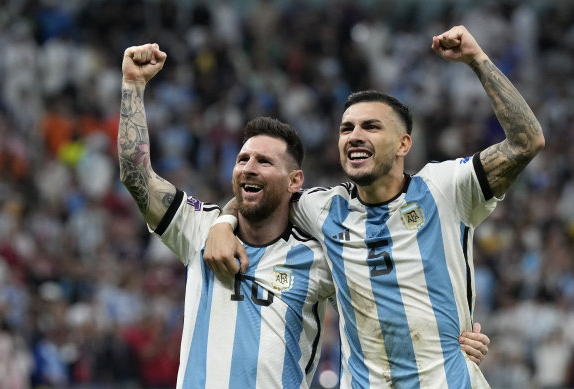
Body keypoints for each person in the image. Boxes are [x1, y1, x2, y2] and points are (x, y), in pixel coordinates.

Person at [117, 43, 491, 388]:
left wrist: (455, 338)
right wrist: (133, 85)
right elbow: (137, 177)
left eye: (264, 161)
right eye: (242, 159)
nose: (248, 168)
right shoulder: (198, 228)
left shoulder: (319, 257)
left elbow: (389, 297)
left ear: (295, 180)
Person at [204, 25, 543, 388]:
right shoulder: (323, 208)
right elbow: (261, 189)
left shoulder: (445, 189)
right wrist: (222, 222)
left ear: (403, 144)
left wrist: (477, 60)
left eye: (370, 127)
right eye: (346, 128)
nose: (354, 136)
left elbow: (526, 142)